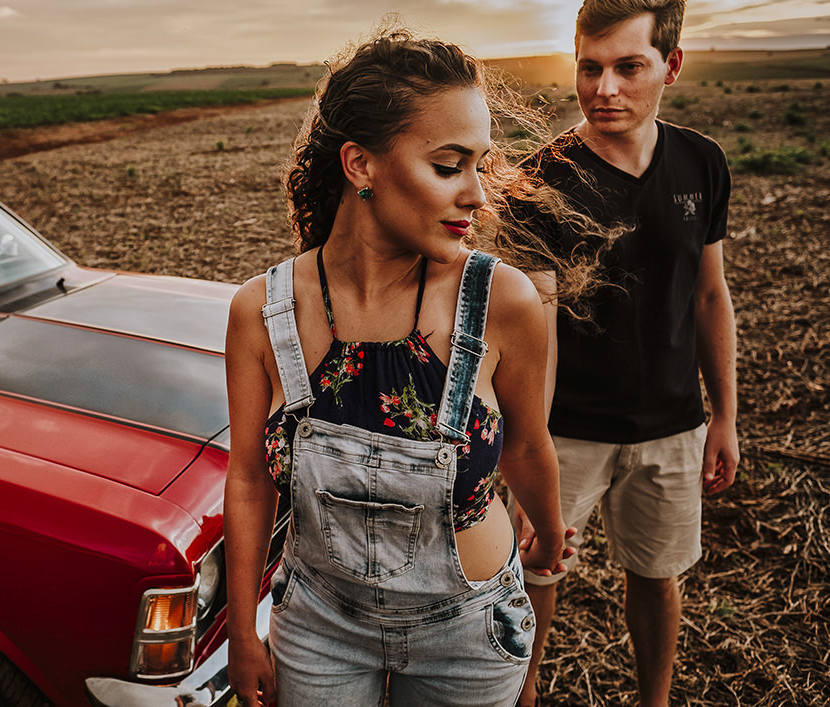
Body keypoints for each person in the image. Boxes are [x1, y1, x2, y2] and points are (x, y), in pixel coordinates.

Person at [222, 26, 607, 707]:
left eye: (480, 166)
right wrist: (242, 636)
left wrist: (547, 536)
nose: (477, 197)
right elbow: (250, 478)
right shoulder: (264, 311)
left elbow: (525, 446)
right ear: (360, 164)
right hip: (317, 625)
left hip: (468, 633)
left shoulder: (503, 302)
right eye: (448, 165)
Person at [510, 2, 740, 706]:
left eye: (627, 67)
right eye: (590, 67)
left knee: (657, 573)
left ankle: (656, 700)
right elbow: (537, 330)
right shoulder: (541, 178)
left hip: (672, 424)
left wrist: (724, 415)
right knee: (536, 576)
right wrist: (530, 455)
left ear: (670, 66)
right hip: (570, 430)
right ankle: (522, 695)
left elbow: (709, 295)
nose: (604, 88)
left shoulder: (702, 163)